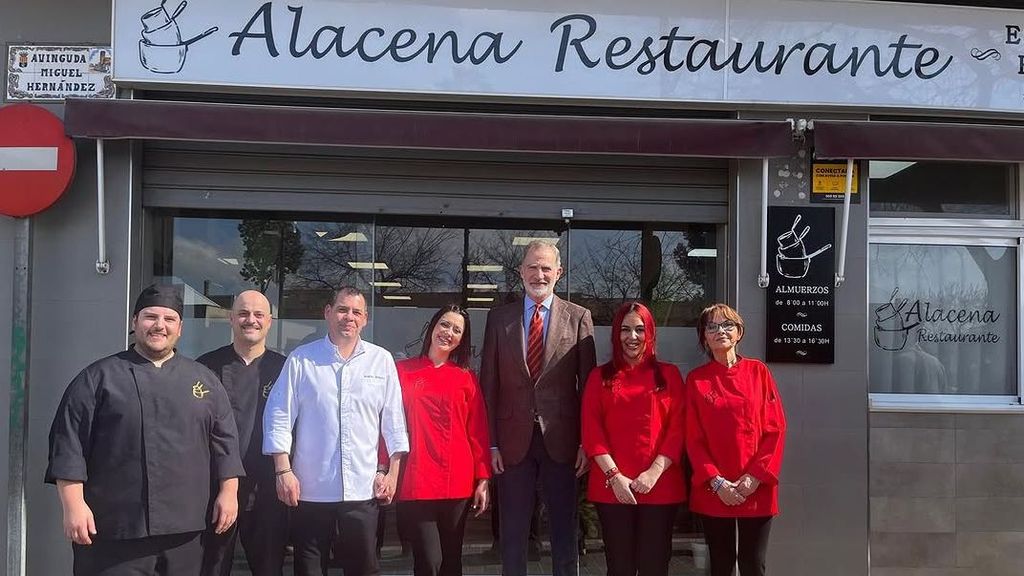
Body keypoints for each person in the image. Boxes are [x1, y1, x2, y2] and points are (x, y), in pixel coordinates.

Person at [46, 284, 244, 576]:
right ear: (135, 321)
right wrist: (73, 505)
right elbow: (69, 445)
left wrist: (229, 493)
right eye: (151, 317)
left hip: (186, 529)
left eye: (169, 319)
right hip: (113, 528)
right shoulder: (97, 378)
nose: (159, 326)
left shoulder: (204, 380)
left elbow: (225, 442)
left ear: (180, 329)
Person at [263, 286, 409, 576]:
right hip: (311, 489)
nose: (349, 317)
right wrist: (283, 471)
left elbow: (394, 421)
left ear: (365, 319)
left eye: (356, 312)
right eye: (342, 309)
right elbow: (279, 414)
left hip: (363, 488)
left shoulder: (381, 361)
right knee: (310, 569)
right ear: (328, 313)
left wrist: (392, 473)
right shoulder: (302, 359)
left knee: (364, 569)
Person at [480, 239, 597, 576]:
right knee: (513, 534)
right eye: (532, 266)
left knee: (564, 531)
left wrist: (584, 443)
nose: (539, 274)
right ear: (521, 271)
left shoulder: (578, 318)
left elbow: (588, 389)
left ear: (558, 273)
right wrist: (492, 443)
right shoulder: (499, 319)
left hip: (562, 442)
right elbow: (489, 385)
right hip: (512, 441)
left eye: (546, 267)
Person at [581, 301, 686, 576]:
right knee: (619, 566)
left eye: (640, 329)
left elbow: (678, 430)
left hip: (660, 486)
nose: (633, 337)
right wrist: (615, 476)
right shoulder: (599, 377)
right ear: (617, 334)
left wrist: (653, 473)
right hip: (612, 487)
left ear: (650, 333)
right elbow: (592, 431)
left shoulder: (670, 375)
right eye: (625, 330)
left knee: (655, 565)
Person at [685, 303, 786, 576]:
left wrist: (754, 477)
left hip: (756, 486)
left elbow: (775, 429)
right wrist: (716, 482)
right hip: (715, 488)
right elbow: (692, 438)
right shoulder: (696, 380)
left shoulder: (758, 372)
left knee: (753, 564)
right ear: (704, 336)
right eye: (712, 326)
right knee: (721, 564)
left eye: (728, 325)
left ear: (739, 332)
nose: (721, 331)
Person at [394, 304, 491, 576]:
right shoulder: (403, 372)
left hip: (457, 481)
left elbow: (478, 431)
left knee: (451, 562)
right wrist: (385, 469)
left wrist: (483, 479)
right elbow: (388, 425)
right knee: (428, 561)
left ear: (462, 339)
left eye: (456, 330)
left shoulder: (466, 378)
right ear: (433, 327)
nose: (448, 333)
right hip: (417, 480)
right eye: (444, 325)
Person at [198, 290, 288, 576]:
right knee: (212, 568)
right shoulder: (205, 367)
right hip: (215, 490)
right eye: (244, 313)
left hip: (267, 493)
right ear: (231, 319)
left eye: (258, 314)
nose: (251, 320)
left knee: (269, 569)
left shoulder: (286, 368)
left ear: (270, 321)